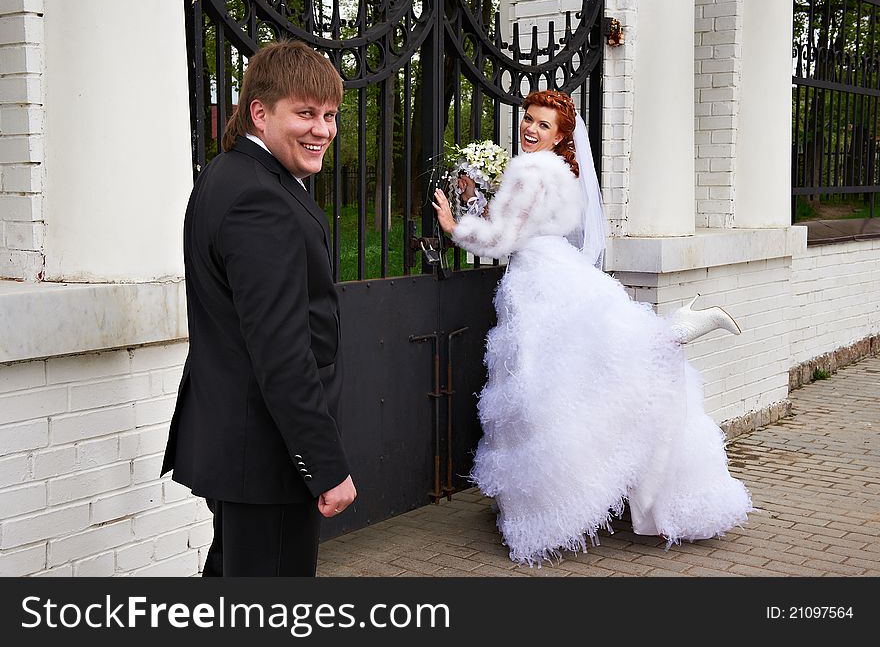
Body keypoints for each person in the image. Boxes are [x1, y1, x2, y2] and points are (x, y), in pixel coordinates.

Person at [433, 90, 752, 566]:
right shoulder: (564, 171)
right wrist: (477, 198)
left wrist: (453, 225)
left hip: (538, 283)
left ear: (561, 135)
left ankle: (546, 513)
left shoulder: (528, 169)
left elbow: (502, 239)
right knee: (595, 369)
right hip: (565, 269)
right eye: (528, 119)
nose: (530, 129)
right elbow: (531, 224)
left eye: (542, 125)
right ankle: (671, 331)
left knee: (545, 392)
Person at [161, 41, 356, 576]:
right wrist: (325, 465)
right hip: (265, 458)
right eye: (306, 113)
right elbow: (281, 351)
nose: (323, 129)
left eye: (330, 115)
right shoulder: (258, 199)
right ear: (260, 112)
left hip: (243, 449)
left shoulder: (229, 176)